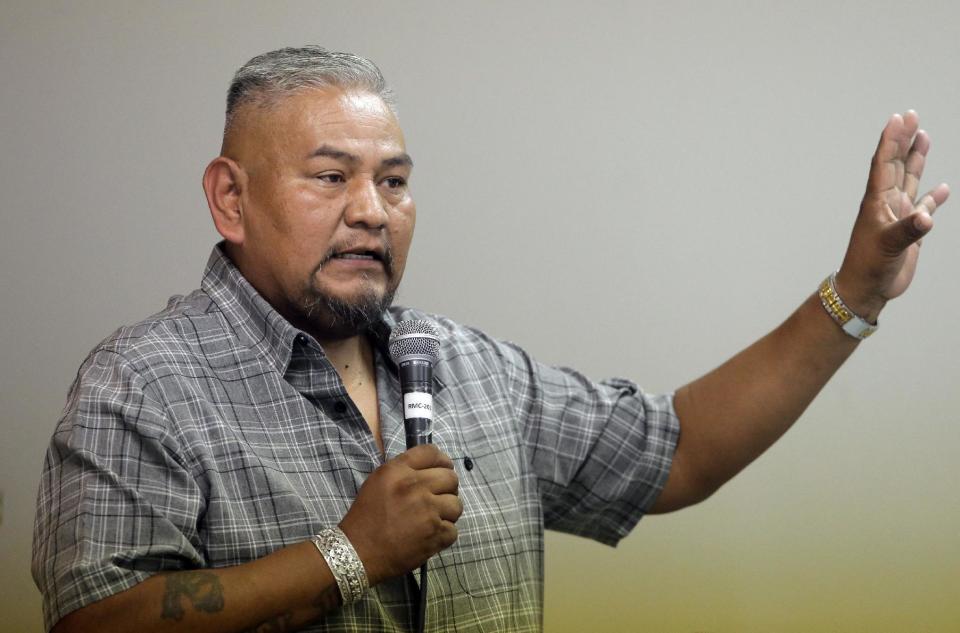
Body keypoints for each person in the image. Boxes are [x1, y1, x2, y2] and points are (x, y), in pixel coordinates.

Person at [32, 46, 949, 633]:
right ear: (231, 198)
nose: (370, 210)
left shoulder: (471, 368)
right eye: (329, 176)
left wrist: (855, 294)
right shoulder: (144, 383)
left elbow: (676, 454)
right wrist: (348, 553)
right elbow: (96, 622)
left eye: (393, 181)